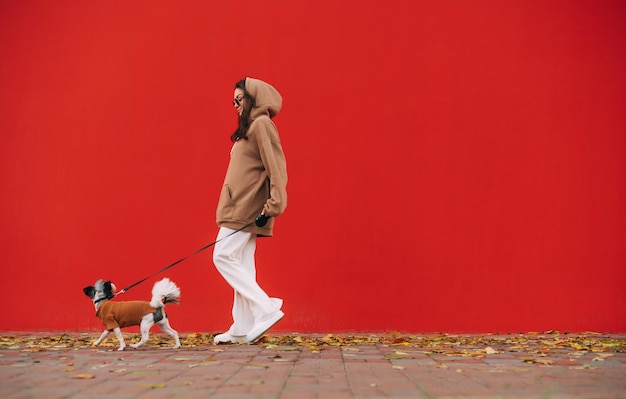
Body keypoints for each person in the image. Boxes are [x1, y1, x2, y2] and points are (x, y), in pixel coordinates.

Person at [212, 77, 288, 344]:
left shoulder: (262, 125)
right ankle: (242, 326)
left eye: (239, 99)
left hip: (246, 207)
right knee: (242, 263)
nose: (235, 105)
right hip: (239, 205)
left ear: (254, 98)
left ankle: (266, 308)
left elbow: (276, 168)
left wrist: (275, 204)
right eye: (233, 100)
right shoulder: (251, 128)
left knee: (221, 256)